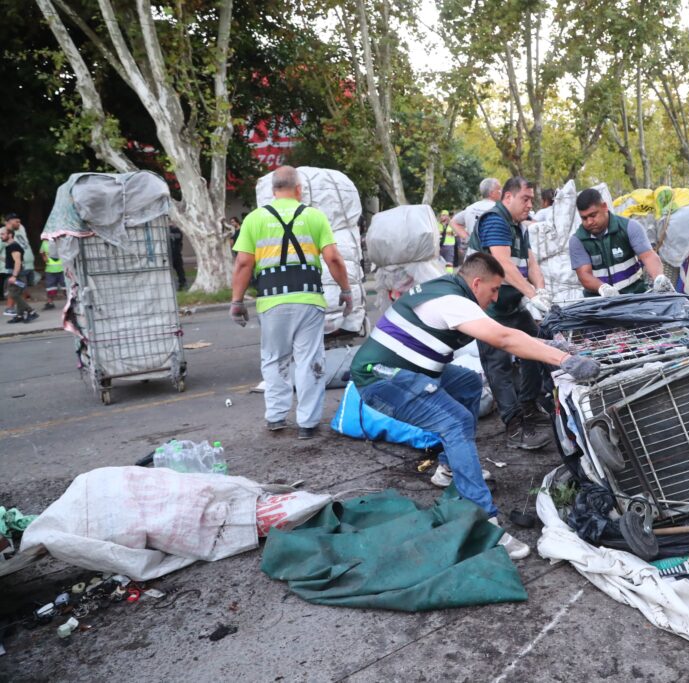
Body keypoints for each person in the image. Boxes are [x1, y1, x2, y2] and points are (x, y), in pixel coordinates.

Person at [349, 252, 600, 560]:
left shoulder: (448, 289)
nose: (495, 298)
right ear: (477, 282)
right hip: (381, 377)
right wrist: (565, 360)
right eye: (494, 290)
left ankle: (449, 468)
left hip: (409, 369)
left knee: (468, 383)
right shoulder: (454, 301)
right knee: (453, 422)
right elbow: (504, 338)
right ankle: (485, 522)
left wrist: (550, 346)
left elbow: (504, 333)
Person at [230, 166, 353, 440]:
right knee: (309, 360)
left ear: (273, 191)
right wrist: (346, 291)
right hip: (309, 300)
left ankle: (276, 417)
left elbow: (243, 262)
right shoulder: (314, 216)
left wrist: (237, 301)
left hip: (271, 302)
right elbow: (333, 258)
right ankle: (308, 424)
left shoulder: (254, 219)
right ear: (299, 190)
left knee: (275, 360)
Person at [467, 177, 554, 450]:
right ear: (507, 198)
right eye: (525, 199)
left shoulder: (518, 227)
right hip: (488, 307)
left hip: (511, 305)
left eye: (531, 199)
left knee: (535, 345)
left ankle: (529, 404)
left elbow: (531, 262)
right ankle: (514, 425)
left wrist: (541, 292)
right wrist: (531, 294)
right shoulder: (495, 220)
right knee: (498, 364)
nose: (530, 204)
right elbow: (502, 263)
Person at [569, 189, 673, 296]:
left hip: (635, 295)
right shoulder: (578, 241)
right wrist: (602, 288)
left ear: (604, 207)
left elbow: (648, 256)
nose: (589, 222)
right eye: (584, 218)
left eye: (593, 215)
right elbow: (584, 275)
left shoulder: (629, 227)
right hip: (599, 302)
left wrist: (659, 277)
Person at [1, 228, 37, 324]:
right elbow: (11, 262)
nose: (1, 236)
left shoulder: (14, 246)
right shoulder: (10, 246)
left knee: (14, 295)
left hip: (17, 275)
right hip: (14, 274)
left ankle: (31, 312)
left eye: (3, 234)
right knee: (17, 295)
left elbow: (17, 262)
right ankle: (20, 315)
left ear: (10, 235)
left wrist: (14, 276)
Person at [4, 214, 35, 315]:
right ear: (8, 223)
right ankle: (25, 311)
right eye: (16, 221)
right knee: (14, 291)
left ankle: (20, 313)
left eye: (19, 221)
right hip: (17, 268)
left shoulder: (21, 228)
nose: (19, 223)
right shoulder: (4, 234)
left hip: (26, 266)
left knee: (20, 290)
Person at [39, 238, 65, 309]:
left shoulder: (62, 240)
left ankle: (71, 302)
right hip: (50, 270)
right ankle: (50, 303)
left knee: (66, 287)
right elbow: (41, 251)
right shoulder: (45, 242)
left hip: (62, 269)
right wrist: (44, 258)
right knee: (50, 288)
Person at [168, 224, 187, 291]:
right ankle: (182, 283)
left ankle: (182, 283)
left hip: (175, 252)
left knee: (179, 269)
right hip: (172, 253)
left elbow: (179, 239)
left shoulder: (175, 230)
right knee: (178, 269)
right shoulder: (168, 230)